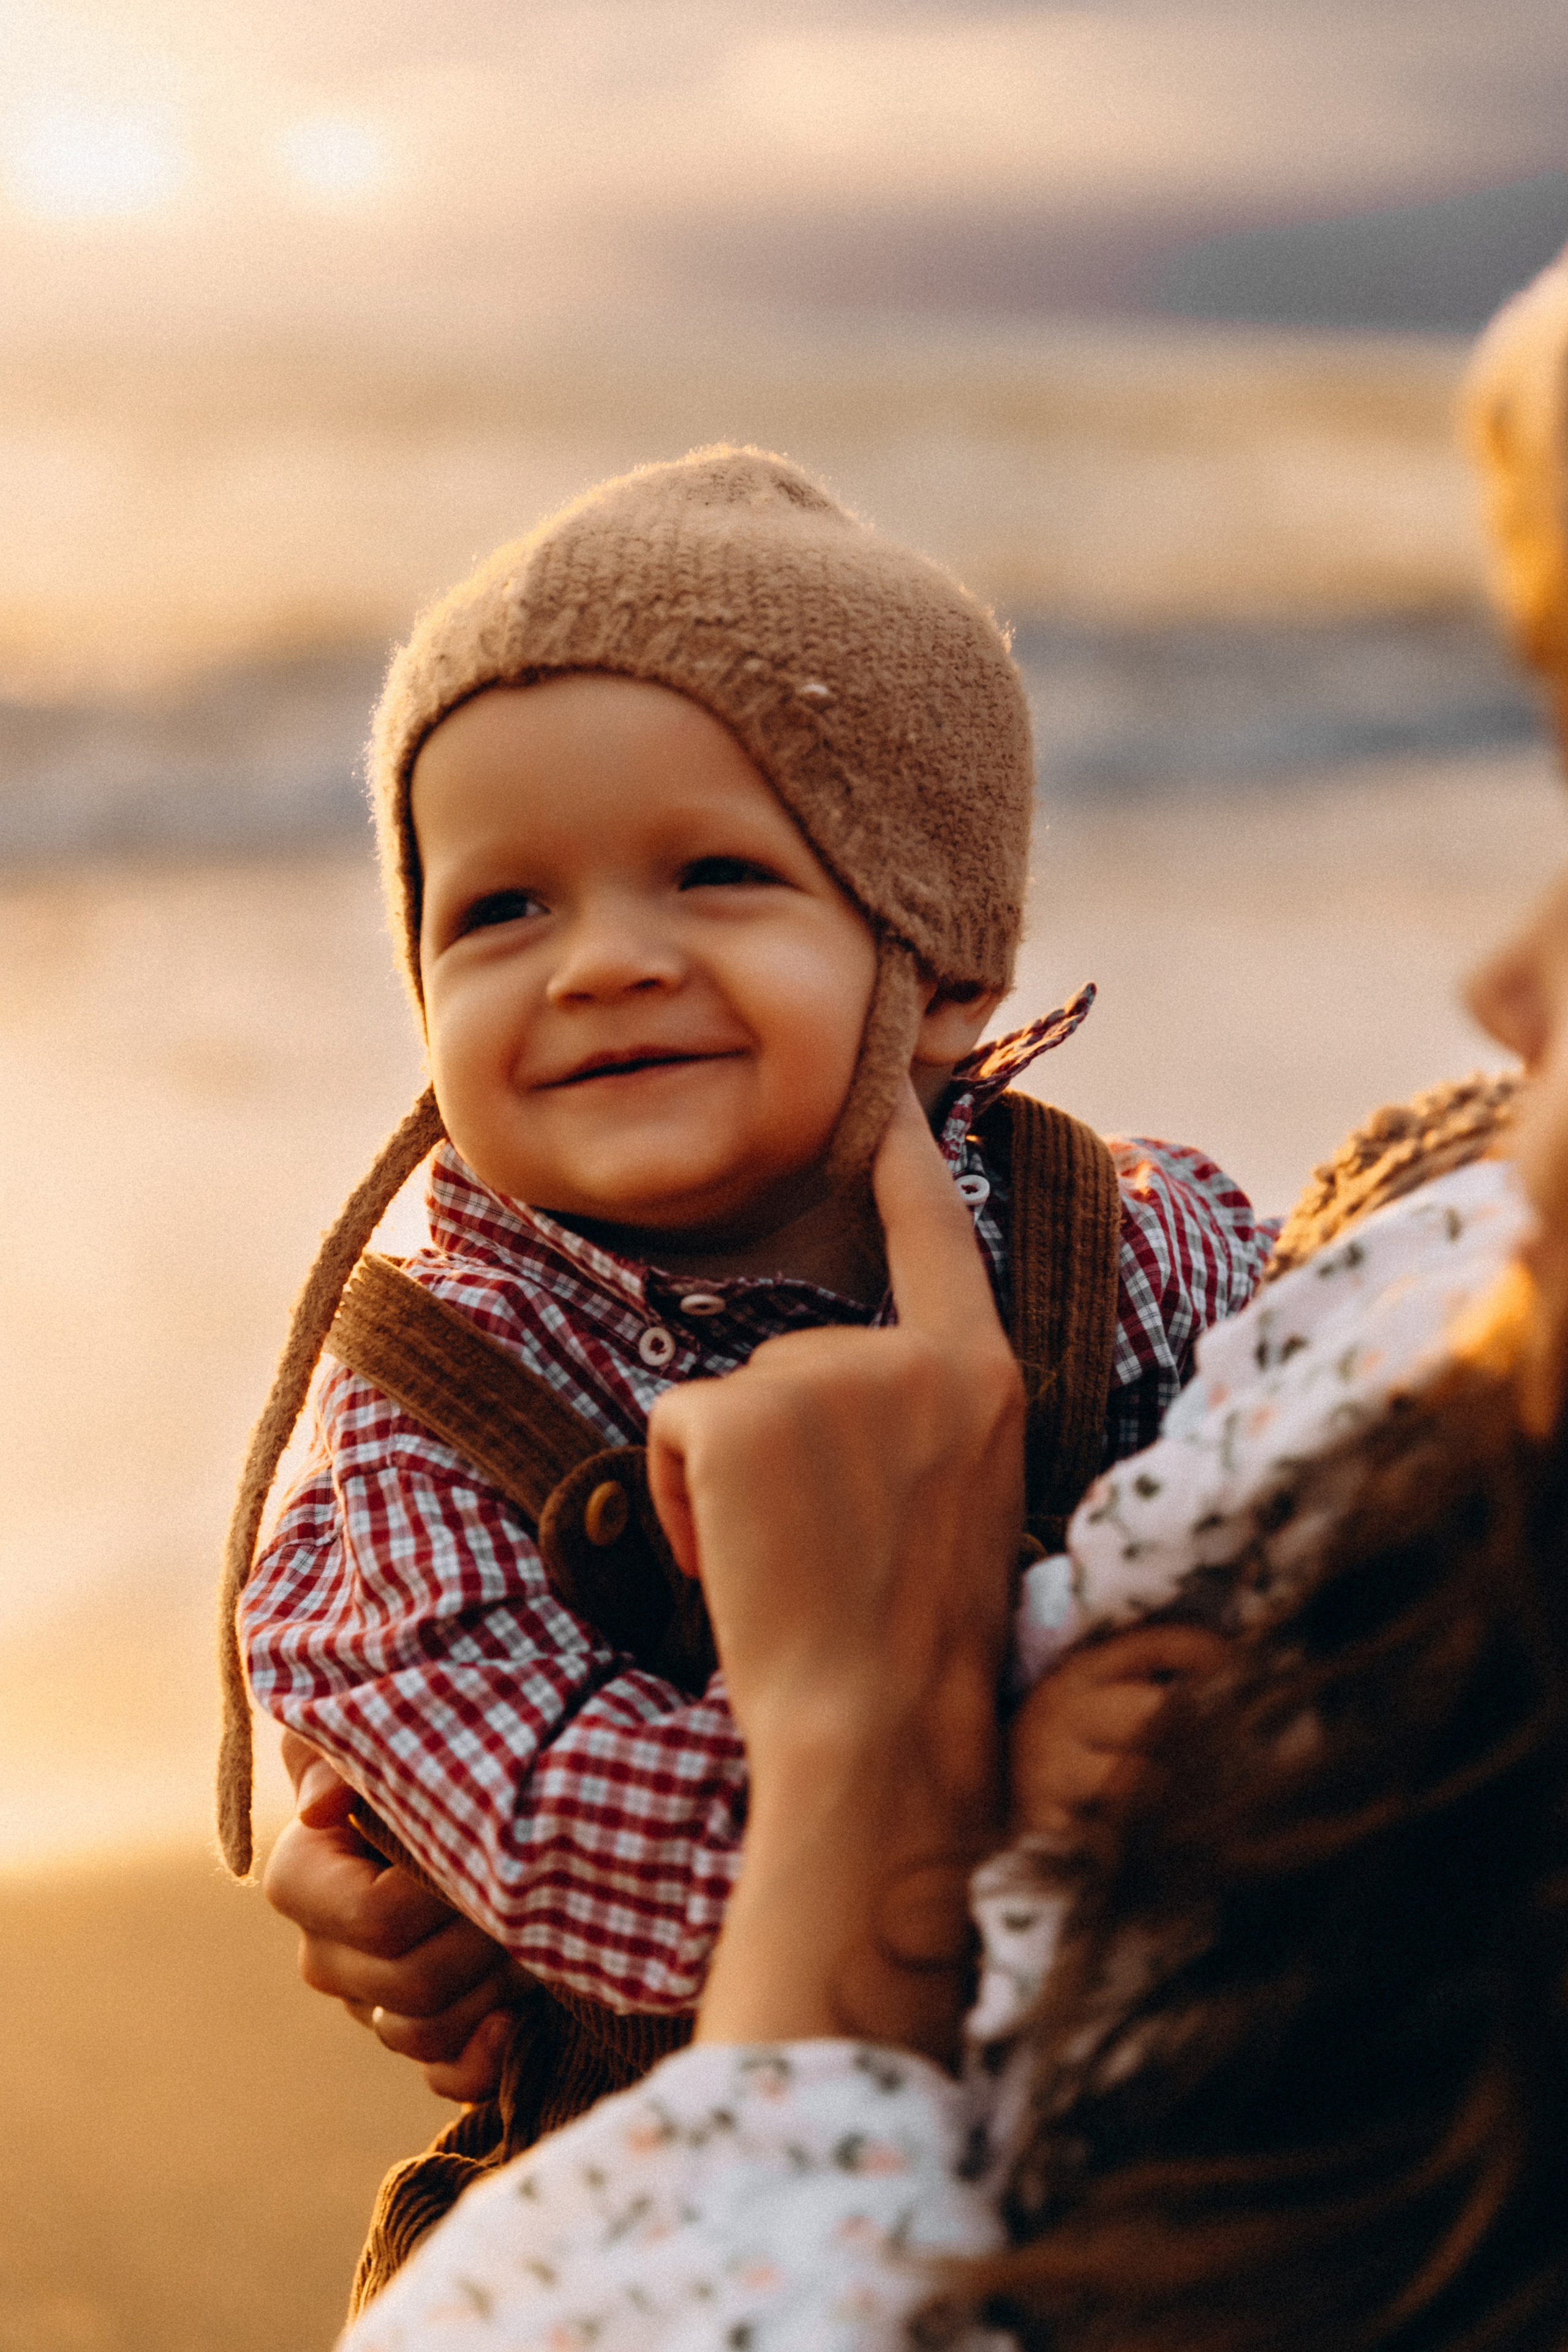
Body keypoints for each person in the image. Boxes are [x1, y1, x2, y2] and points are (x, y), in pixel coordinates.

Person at [222, 445, 1268, 2290]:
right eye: (499, 912)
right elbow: (562, 1842)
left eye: (716, 875)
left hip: (1168, 2132)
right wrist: (1017, 1792)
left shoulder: (1138, 1234)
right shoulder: (419, 1425)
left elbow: (1348, 1504)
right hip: (672, 2205)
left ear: (941, 964)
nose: (606, 963)